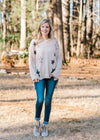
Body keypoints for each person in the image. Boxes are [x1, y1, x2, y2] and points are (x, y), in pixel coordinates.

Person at [29, 19, 62, 137]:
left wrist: (56, 73)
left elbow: (59, 58)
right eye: (43, 27)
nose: (45, 29)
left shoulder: (54, 42)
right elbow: (31, 60)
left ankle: (45, 125)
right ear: (39, 28)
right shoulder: (34, 42)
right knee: (40, 99)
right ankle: (37, 122)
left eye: (47, 27)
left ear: (50, 29)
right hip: (39, 76)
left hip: (52, 76)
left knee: (48, 101)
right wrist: (34, 75)